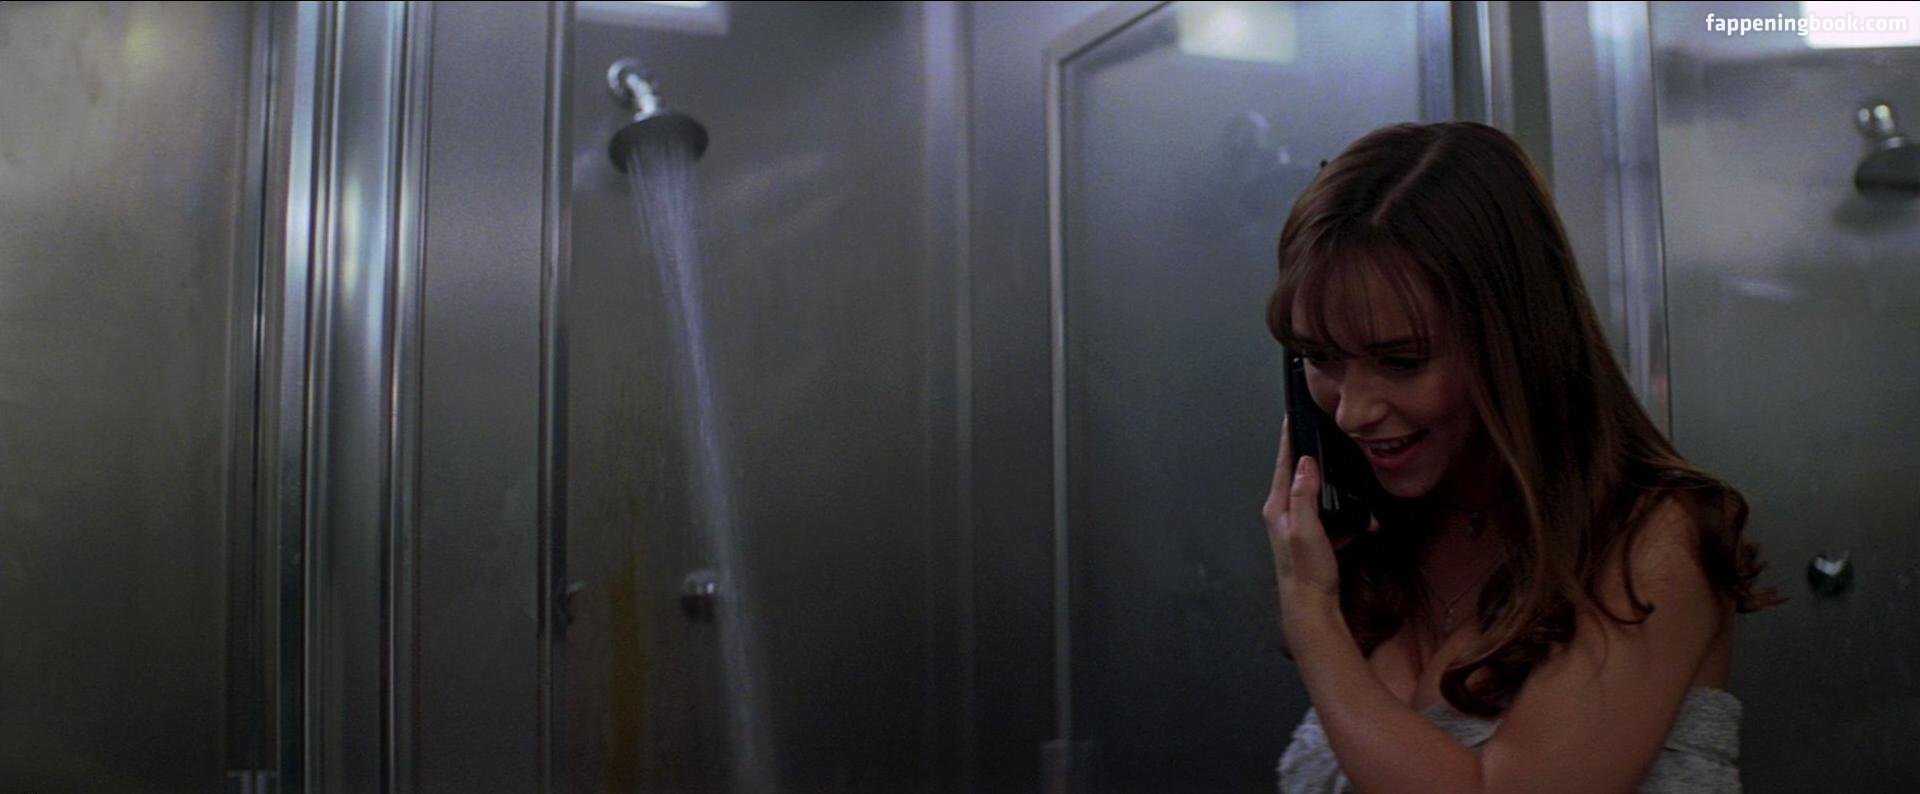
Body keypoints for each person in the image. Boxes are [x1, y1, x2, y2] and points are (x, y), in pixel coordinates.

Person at [1260, 121, 1782, 793]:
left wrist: (1311, 617)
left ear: (1514, 342)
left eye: (1401, 360)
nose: (1351, 411)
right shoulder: (1381, 543)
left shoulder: (1652, 540)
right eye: (1320, 357)